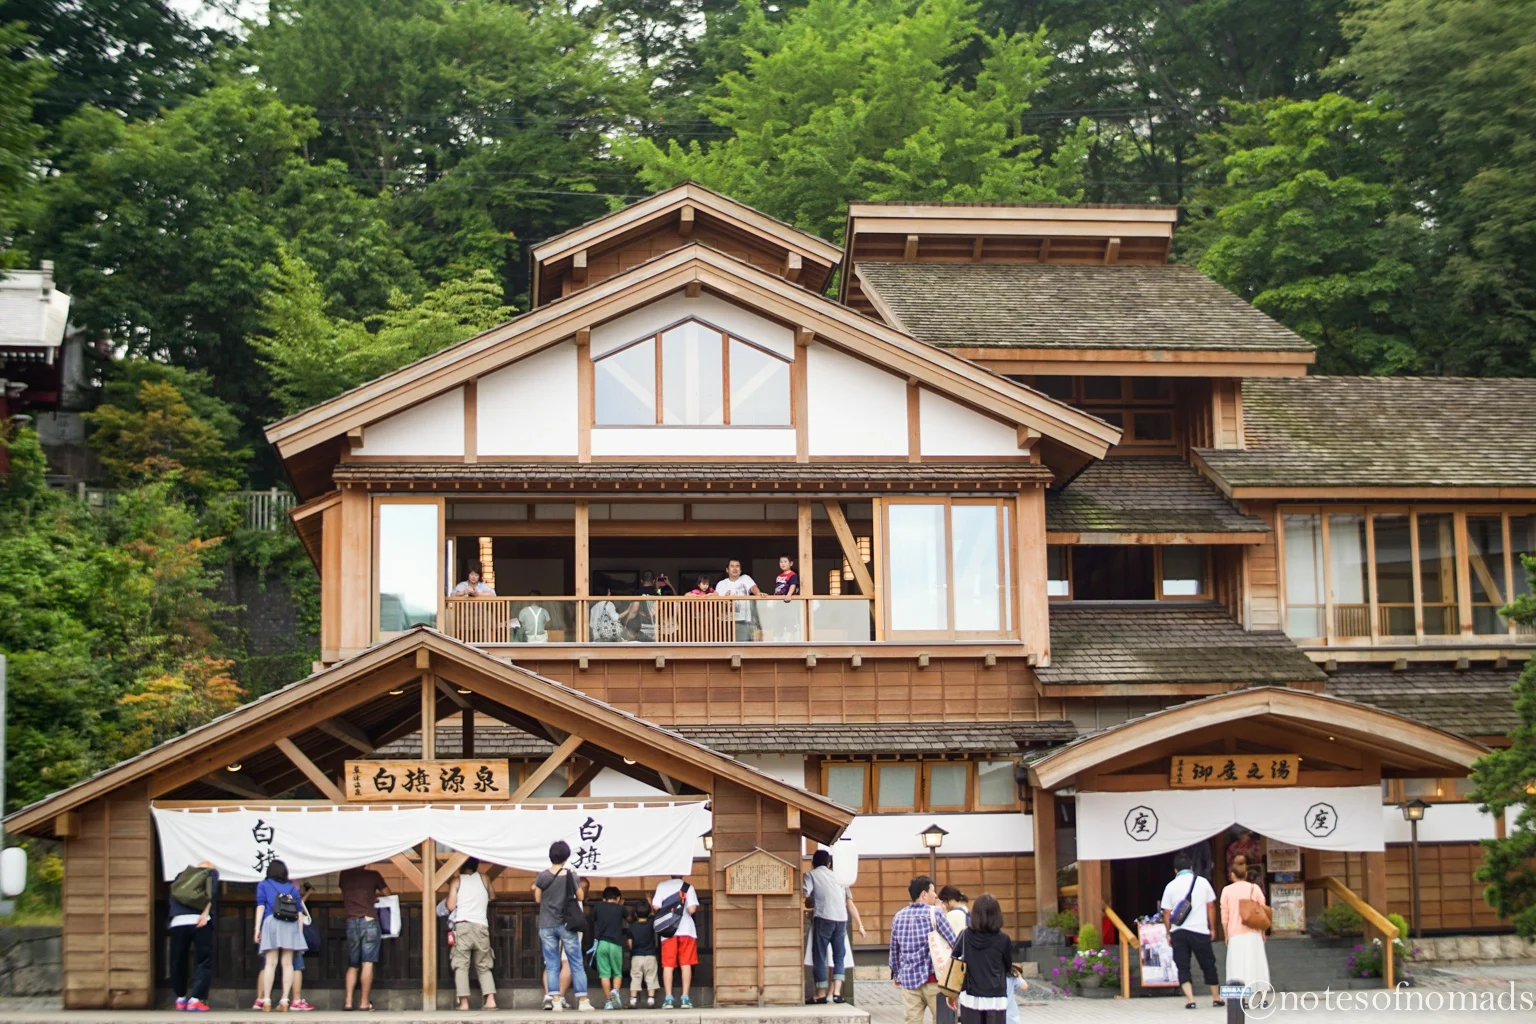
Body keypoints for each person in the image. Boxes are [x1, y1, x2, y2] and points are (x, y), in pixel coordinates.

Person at [533, 840, 595, 1012]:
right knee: (575, 962)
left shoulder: (542, 876)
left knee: (552, 964)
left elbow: (537, 898)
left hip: (546, 924)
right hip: (567, 925)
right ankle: (582, 1000)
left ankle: (555, 1001)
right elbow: (580, 896)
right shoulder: (571, 875)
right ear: (566, 857)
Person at [889, 875, 958, 1024]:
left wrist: (896, 973)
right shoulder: (935, 913)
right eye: (933, 891)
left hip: (909, 981)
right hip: (935, 980)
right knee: (942, 1020)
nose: (936, 895)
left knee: (912, 1021)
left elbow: (894, 950)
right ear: (924, 894)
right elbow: (954, 942)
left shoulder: (898, 917)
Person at [1160, 850, 1223, 1010]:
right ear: (1192, 867)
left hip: (1178, 932)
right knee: (1208, 964)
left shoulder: (1170, 886)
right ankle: (1216, 997)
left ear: (1175, 870)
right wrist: (1213, 928)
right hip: (1200, 930)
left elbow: (1166, 912)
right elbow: (1211, 906)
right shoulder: (1202, 882)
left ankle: (1190, 999)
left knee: (1182, 965)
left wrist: (1169, 932)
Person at [803, 849, 867, 1004]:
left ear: (813, 863)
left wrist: (809, 910)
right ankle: (837, 993)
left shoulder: (810, 875)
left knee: (820, 956)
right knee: (839, 957)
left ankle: (820, 993)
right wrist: (860, 925)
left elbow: (805, 895)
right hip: (841, 920)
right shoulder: (840, 878)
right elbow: (849, 903)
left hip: (823, 917)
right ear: (829, 863)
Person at [944, 893, 1014, 1024]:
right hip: (996, 997)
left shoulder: (965, 935)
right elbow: (1008, 966)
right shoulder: (1003, 939)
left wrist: (951, 993)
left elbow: (953, 960)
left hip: (970, 995)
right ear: (997, 914)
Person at [253, 859, 306, 1012]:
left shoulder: (264, 885)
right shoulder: (291, 888)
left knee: (270, 963)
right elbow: (299, 912)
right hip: (290, 924)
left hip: (271, 921)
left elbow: (261, 906)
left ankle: (267, 999)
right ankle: (284, 999)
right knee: (288, 963)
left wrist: (257, 929)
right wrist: (299, 932)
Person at [447, 857, 498, 1010]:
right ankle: (490, 1000)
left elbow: (450, 906)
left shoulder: (456, 881)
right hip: (481, 925)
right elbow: (493, 896)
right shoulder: (485, 878)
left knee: (461, 965)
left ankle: (464, 1003)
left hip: (462, 926)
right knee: (484, 965)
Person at [168, 861, 218, 1012]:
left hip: (178, 921)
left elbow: (172, 896)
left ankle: (180, 998)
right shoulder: (211, 873)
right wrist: (206, 913)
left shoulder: (182, 876)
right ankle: (196, 999)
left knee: (178, 960)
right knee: (203, 959)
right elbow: (212, 894)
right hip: (200, 921)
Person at [339, 864, 389, 1011]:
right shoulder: (373, 875)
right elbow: (388, 893)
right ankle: (364, 1002)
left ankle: (348, 1002)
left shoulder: (344, 875)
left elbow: (347, 891)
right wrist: (374, 897)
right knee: (367, 963)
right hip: (369, 920)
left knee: (353, 965)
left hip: (351, 921)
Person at [652, 873, 700, 1008]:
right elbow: (691, 909)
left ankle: (668, 998)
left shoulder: (662, 886)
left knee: (668, 964)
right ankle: (685, 997)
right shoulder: (688, 887)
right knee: (686, 963)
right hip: (686, 930)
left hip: (668, 930)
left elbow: (656, 906)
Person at [1220, 864, 1271, 992]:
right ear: (1246, 875)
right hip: (1254, 931)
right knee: (1256, 963)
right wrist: (1263, 932)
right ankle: (1261, 993)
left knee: (1237, 965)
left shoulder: (1227, 890)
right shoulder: (1255, 888)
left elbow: (1224, 916)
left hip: (1235, 932)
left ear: (1232, 875)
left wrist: (1226, 934)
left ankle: (1242, 995)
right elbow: (1262, 910)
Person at [935, 887, 971, 1024]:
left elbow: (948, 940)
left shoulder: (953, 915)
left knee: (954, 1001)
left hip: (957, 963)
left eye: (943, 902)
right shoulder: (967, 911)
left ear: (949, 901)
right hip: (968, 960)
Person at [591, 887, 629, 1009]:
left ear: (603, 899)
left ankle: (608, 1002)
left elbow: (591, 919)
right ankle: (615, 991)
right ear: (618, 898)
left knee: (604, 974)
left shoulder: (598, 907)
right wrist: (621, 907)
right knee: (617, 972)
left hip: (601, 944)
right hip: (615, 944)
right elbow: (630, 919)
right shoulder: (620, 908)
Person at [714, 559, 761, 642]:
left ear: (740, 570)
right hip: (726, 620)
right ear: (727, 570)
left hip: (743, 619)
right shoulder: (722, 584)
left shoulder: (745, 578)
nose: (735, 569)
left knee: (742, 646)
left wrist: (758, 593)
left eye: (737, 566)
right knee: (726, 647)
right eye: (732, 566)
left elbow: (753, 587)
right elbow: (716, 600)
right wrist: (725, 598)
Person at [628, 901, 661, 1009]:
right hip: (650, 955)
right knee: (651, 977)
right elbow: (654, 914)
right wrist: (650, 903)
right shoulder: (651, 923)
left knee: (635, 977)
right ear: (648, 914)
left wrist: (633, 950)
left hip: (637, 956)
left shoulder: (631, 927)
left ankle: (633, 1000)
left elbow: (630, 944)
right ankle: (651, 999)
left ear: (635, 914)